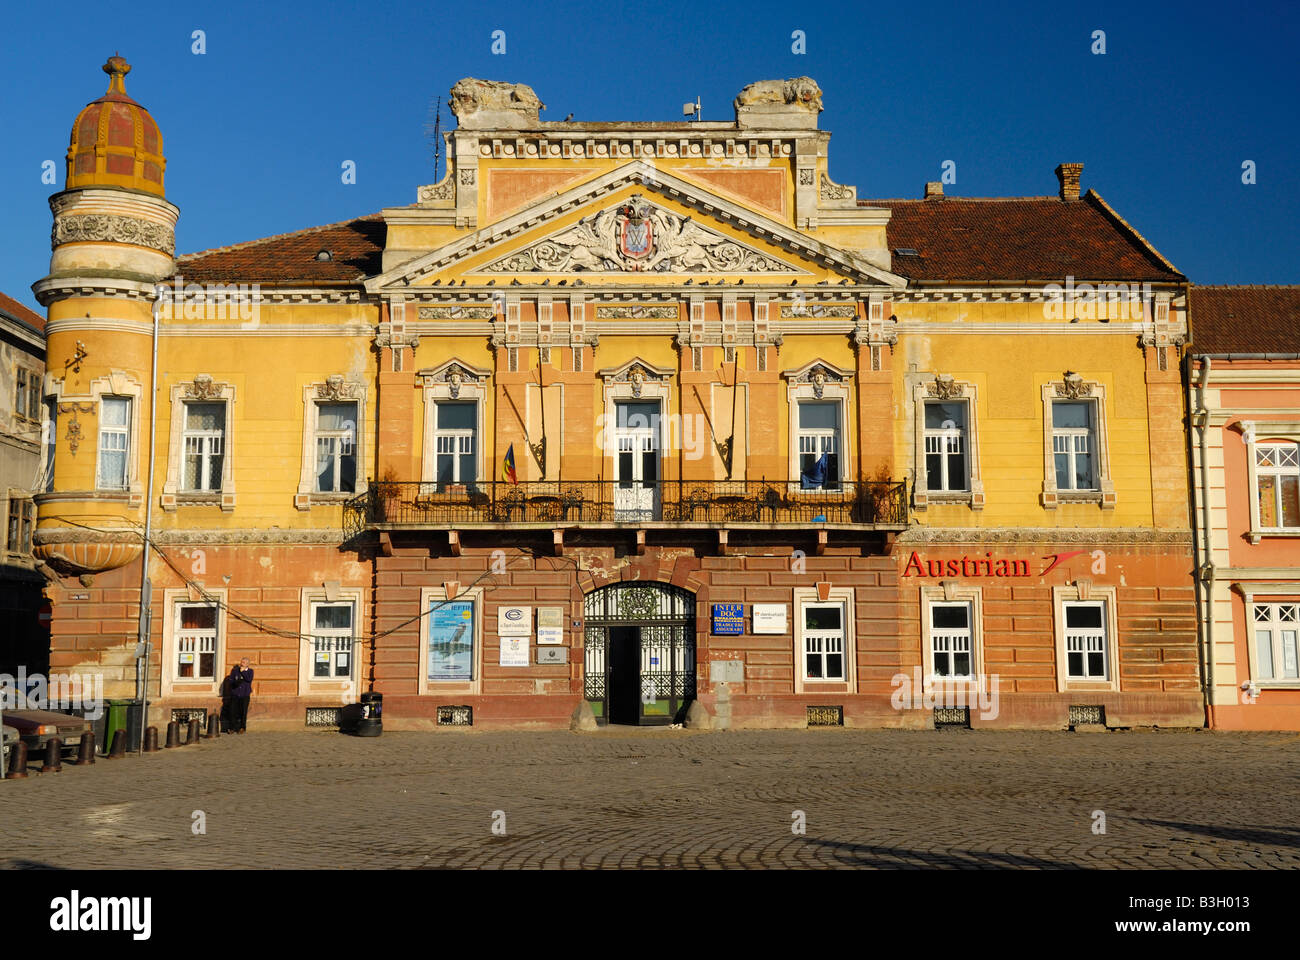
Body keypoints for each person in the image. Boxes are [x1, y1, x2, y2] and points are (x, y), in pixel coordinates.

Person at [227, 657, 254, 734]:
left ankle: (242, 727)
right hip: (235, 694)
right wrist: (234, 683)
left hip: (245, 694)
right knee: (233, 711)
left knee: (243, 712)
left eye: (244, 663)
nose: (242, 664)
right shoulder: (235, 671)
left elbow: (249, 679)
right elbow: (231, 680)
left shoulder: (250, 671)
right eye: (241, 662)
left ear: (248, 664)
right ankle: (232, 728)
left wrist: (243, 672)